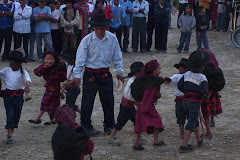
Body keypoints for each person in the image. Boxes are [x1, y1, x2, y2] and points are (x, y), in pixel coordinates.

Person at [73, 14, 124, 137]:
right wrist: (77, 75)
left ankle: (109, 125)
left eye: (102, 28)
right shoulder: (87, 40)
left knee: (108, 101)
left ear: (106, 28)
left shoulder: (112, 38)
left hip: (105, 74)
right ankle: (86, 126)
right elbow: (80, 59)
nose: (100, 31)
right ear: (93, 28)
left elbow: (117, 57)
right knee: (87, 101)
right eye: (97, 29)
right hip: (90, 73)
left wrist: (119, 72)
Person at [177, 50, 209, 153]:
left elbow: (179, 85)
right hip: (194, 102)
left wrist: (187, 92)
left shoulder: (186, 74)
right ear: (203, 67)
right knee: (191, 121)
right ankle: (184, 145)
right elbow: (204, 92)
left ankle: (199, 140)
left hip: (185, 101)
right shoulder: (202, 77)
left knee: (194, 119)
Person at [132, 60, 165, 151]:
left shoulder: (145, 80)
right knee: (157, 121)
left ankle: (136, 144)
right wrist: (147, 107)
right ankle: (155, 142)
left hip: (140, 105)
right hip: (147, 105)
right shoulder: (152, 83)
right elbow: (149, 95)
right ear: (154, 71)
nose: (160, 70)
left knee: (138, 124)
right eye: (158, 69)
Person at [108, 62, 144, 145]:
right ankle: (111, 137)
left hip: (128, 105)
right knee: (120, 122)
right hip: (127, 106)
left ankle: (136, 138)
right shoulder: (134, 83)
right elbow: (136, 95)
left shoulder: (134, 79)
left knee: (137, 121)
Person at [0, 50, 31, 144]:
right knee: (10, 114)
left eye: (13, 62)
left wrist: (27, 85)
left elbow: (28, 81)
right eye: (10, 62)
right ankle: (9, 135)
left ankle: (11, 131)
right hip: (8, 96)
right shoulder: (6, 71)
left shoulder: (24, 73)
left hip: (18, 97)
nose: (11, 64)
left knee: (16, 115)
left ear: (19, 63)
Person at [29, 51, 67, 125]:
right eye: (47, 59)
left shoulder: (58, 68)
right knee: (53, 105)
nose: (49, 61)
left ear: (55, 60)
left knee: (45, 102)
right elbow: (37, 73)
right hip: (48, 88)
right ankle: (53, 119)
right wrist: (43, 68)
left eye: (51, 59)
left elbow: (63, 78)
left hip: (55, 89)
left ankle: (37, 118)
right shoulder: (44, 67)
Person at [200, 49, 224, 140]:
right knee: (211, 109)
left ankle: (208, 130)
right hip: (213, 92)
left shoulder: (203, 69)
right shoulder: (216, 68)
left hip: (206, 93)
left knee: (206, 112)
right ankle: (212, 120)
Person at [165, 58, 188, 139]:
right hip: (188, 99)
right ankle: (186, 132)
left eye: (182, 67)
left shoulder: (176, 76)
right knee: (188, 117)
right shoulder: (190, 76)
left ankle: (182, 133)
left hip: (180, 100)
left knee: (180, 117)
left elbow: (168, 82)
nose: (180, 69)